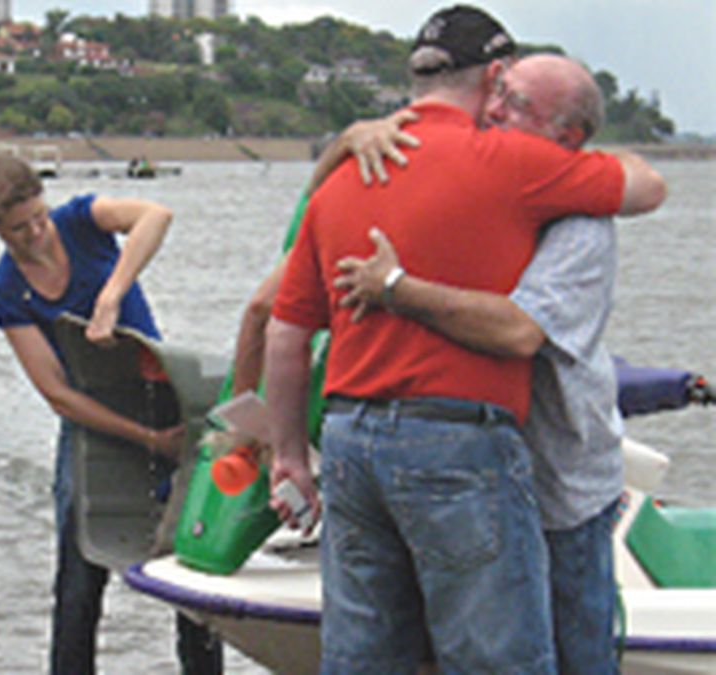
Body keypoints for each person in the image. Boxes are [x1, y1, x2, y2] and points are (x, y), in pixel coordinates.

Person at [262, 5, 665, 672]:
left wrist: (288, 455)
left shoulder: (345, 176)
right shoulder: (510, 163)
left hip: (350, 441)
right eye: (503, 95)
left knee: (364, 657)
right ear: (494, 76)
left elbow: (284, 329)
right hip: (457, 441)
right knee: (497, 659)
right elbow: (648, 186)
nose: (503, 110)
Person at [331, 53, 632, 674]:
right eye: (500, 93)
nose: (493, 111)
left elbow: (520, 332)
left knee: (570, 658)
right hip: (465, 481)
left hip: (561, 487)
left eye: (519, 105)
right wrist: (348, 139)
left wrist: (396, 288)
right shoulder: (477, 187)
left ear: (567, 140)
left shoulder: (581, 224)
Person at [0, 155, 222, 674]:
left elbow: (156, 216)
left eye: (39, 216)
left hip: (163, 401)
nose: (36, 232)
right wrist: (148, 440)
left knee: (193, 574)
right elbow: (58, 394)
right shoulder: (6, 291)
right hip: (92, 425)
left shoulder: (81, 221)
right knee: (78, 583)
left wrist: (112, 293)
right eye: (18, 229)